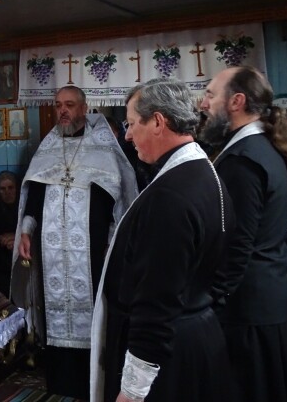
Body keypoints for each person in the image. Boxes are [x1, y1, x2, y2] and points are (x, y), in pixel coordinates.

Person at [90, 78, 232, 402]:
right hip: (196, 334)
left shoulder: (170, 196)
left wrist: (132, 391)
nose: (127, 135)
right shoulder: (204, 172)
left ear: (157, 121)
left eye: (131, 123)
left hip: (168, 359)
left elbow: (156, 301)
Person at [11, 85, 137, 400]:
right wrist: (26, 230)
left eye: (69, 105)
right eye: (58, 105)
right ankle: (59, 387)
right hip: (51, 251)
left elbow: (117, 199)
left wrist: (112, 238)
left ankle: (93, 386)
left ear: (83, 108)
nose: (63, 111)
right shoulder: (48, 147)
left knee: (93, 314)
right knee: (53, 315)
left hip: (92, 251)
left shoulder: (102, 148)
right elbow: (35, 195)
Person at [201, 66, 287, 402]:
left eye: (210, 95)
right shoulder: (259, 147)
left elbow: (236, 247)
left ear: (237, 101)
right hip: (264, 301)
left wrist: (209, 306)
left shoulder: (243, 159)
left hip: (247, 311)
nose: (203, 104)